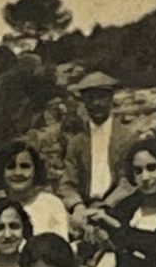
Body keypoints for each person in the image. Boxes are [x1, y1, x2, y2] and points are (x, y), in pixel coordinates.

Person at [55, 71, 142, 227]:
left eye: (101, 97)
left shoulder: (127, 138)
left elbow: (128, 181)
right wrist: (78, 207)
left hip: (119, 208)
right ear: (84, 102)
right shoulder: (77, 142)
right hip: (84, 210)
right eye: (90, 98)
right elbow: (67, 183)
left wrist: (106, 206)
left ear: (111, 98)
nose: (96, 103)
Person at [0, 142, 70, 242]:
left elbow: (60, 248)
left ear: (35, 170)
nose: (18, 173)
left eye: (25, 166)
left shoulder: (51, 204)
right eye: (11, 167)